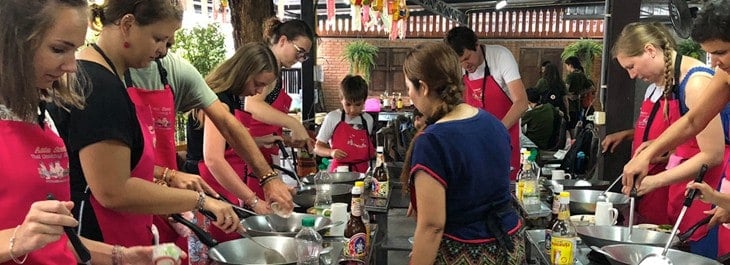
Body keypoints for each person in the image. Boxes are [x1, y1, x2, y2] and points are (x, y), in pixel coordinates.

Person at [47, 0, 241, 248]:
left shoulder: (104, 77)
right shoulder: (100, 87)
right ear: (127, 25)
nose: (162, 51)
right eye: (158, 38)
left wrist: (168, 178)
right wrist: (200, 201)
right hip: (100, 232)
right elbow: (113, 191)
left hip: (121, 228)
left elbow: (118, 165)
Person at [0, 0, 175, 263]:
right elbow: (27, 236)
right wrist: (16, 239)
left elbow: (56, 238)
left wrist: (123, 256)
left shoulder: (39, 112)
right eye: (59, 49)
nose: (72, 66)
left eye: (75, 50)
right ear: (13, 41)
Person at [608, 22, 727, 257]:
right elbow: (692, 123)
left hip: (712, 190)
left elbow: (713, 153)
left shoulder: (696, 81)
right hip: (692, 191)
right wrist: (654, 149)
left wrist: (655, 180)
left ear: (651, 50)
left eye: (631, 66)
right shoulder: (678, 80)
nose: (713, 62)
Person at [401, 42, 525, 265]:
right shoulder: (493, 124)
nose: (409, 95)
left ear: (424, 87)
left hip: (465, 254)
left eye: (409, 87)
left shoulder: (433, 141)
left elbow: (432, 227)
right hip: (510, 248)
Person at [194, 43, 279, 242]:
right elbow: (213, 159)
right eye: (257, 83)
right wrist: (254, 201)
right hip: (205, 187)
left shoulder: (230, 98)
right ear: (243, 72)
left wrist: (257, 141)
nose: (258, 92)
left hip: (221, 187)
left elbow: (226, 142)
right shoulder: (219, 101)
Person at [239, 18, 315, 198]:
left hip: (262, 151)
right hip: (250, 158)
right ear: (282, 41)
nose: (300, 59)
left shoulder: (275, 72)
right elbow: (253, 105)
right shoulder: (266, 69)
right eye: (299, 51)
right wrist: (294, 124)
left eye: (304, 55)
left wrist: (285, 139)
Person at [445, 26, 528, 180]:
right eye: (460, 62)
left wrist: (496, 132)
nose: (465, 66)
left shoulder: (500, 56)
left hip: (505, 134)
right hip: (474, 138)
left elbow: (521, 103)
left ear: (477, 45)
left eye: (467, 58)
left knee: (504, 183)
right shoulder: (459, 69)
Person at [314, 75, 375, 173]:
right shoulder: (333, 118)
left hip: (363, 173)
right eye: (348, 104)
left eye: (358, 104)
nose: (353, 109)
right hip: (340, 173)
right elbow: (317, 148)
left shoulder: (368, 120)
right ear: (341, 99)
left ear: (364, 101)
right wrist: (331, 152)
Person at [564, 56, 594, 133]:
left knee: (571, 124)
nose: (567, 68)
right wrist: (579, 94)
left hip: (570, 105)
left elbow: (565, 90)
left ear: (570, 65)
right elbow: (591, 88)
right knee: (578, 123)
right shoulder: (581, 75)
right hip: (579, 105)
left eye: (567, 66)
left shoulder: (570, 76)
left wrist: (570, 95)